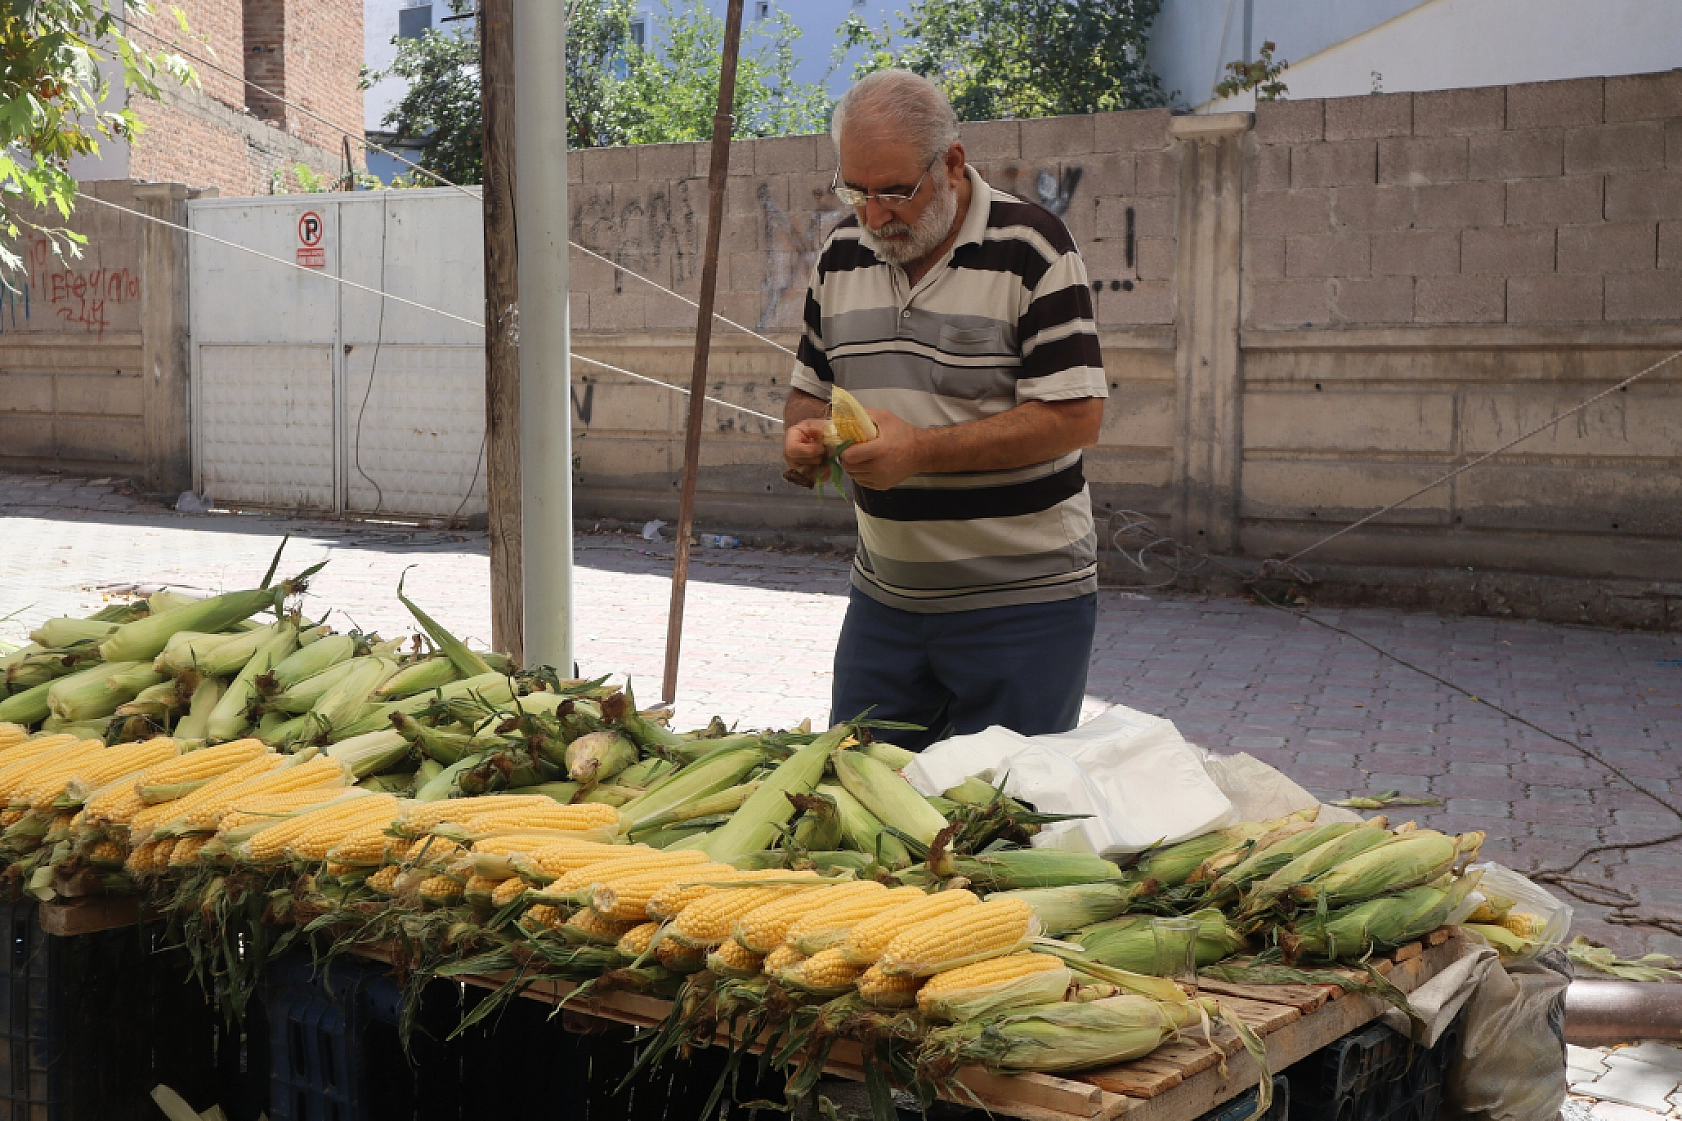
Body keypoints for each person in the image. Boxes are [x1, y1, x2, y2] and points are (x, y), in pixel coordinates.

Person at [782, 70, 1108, 751]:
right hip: (885, 602)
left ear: (953, 163)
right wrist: (801, 441)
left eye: (895, 190)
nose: (874, 215)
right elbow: (809, 388)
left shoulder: (1035, 249)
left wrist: (920, 451)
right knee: (861, 806)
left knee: (1000, 822)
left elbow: (1075, 417)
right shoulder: (841, 254)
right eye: (856, 191)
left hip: (1023, 606)